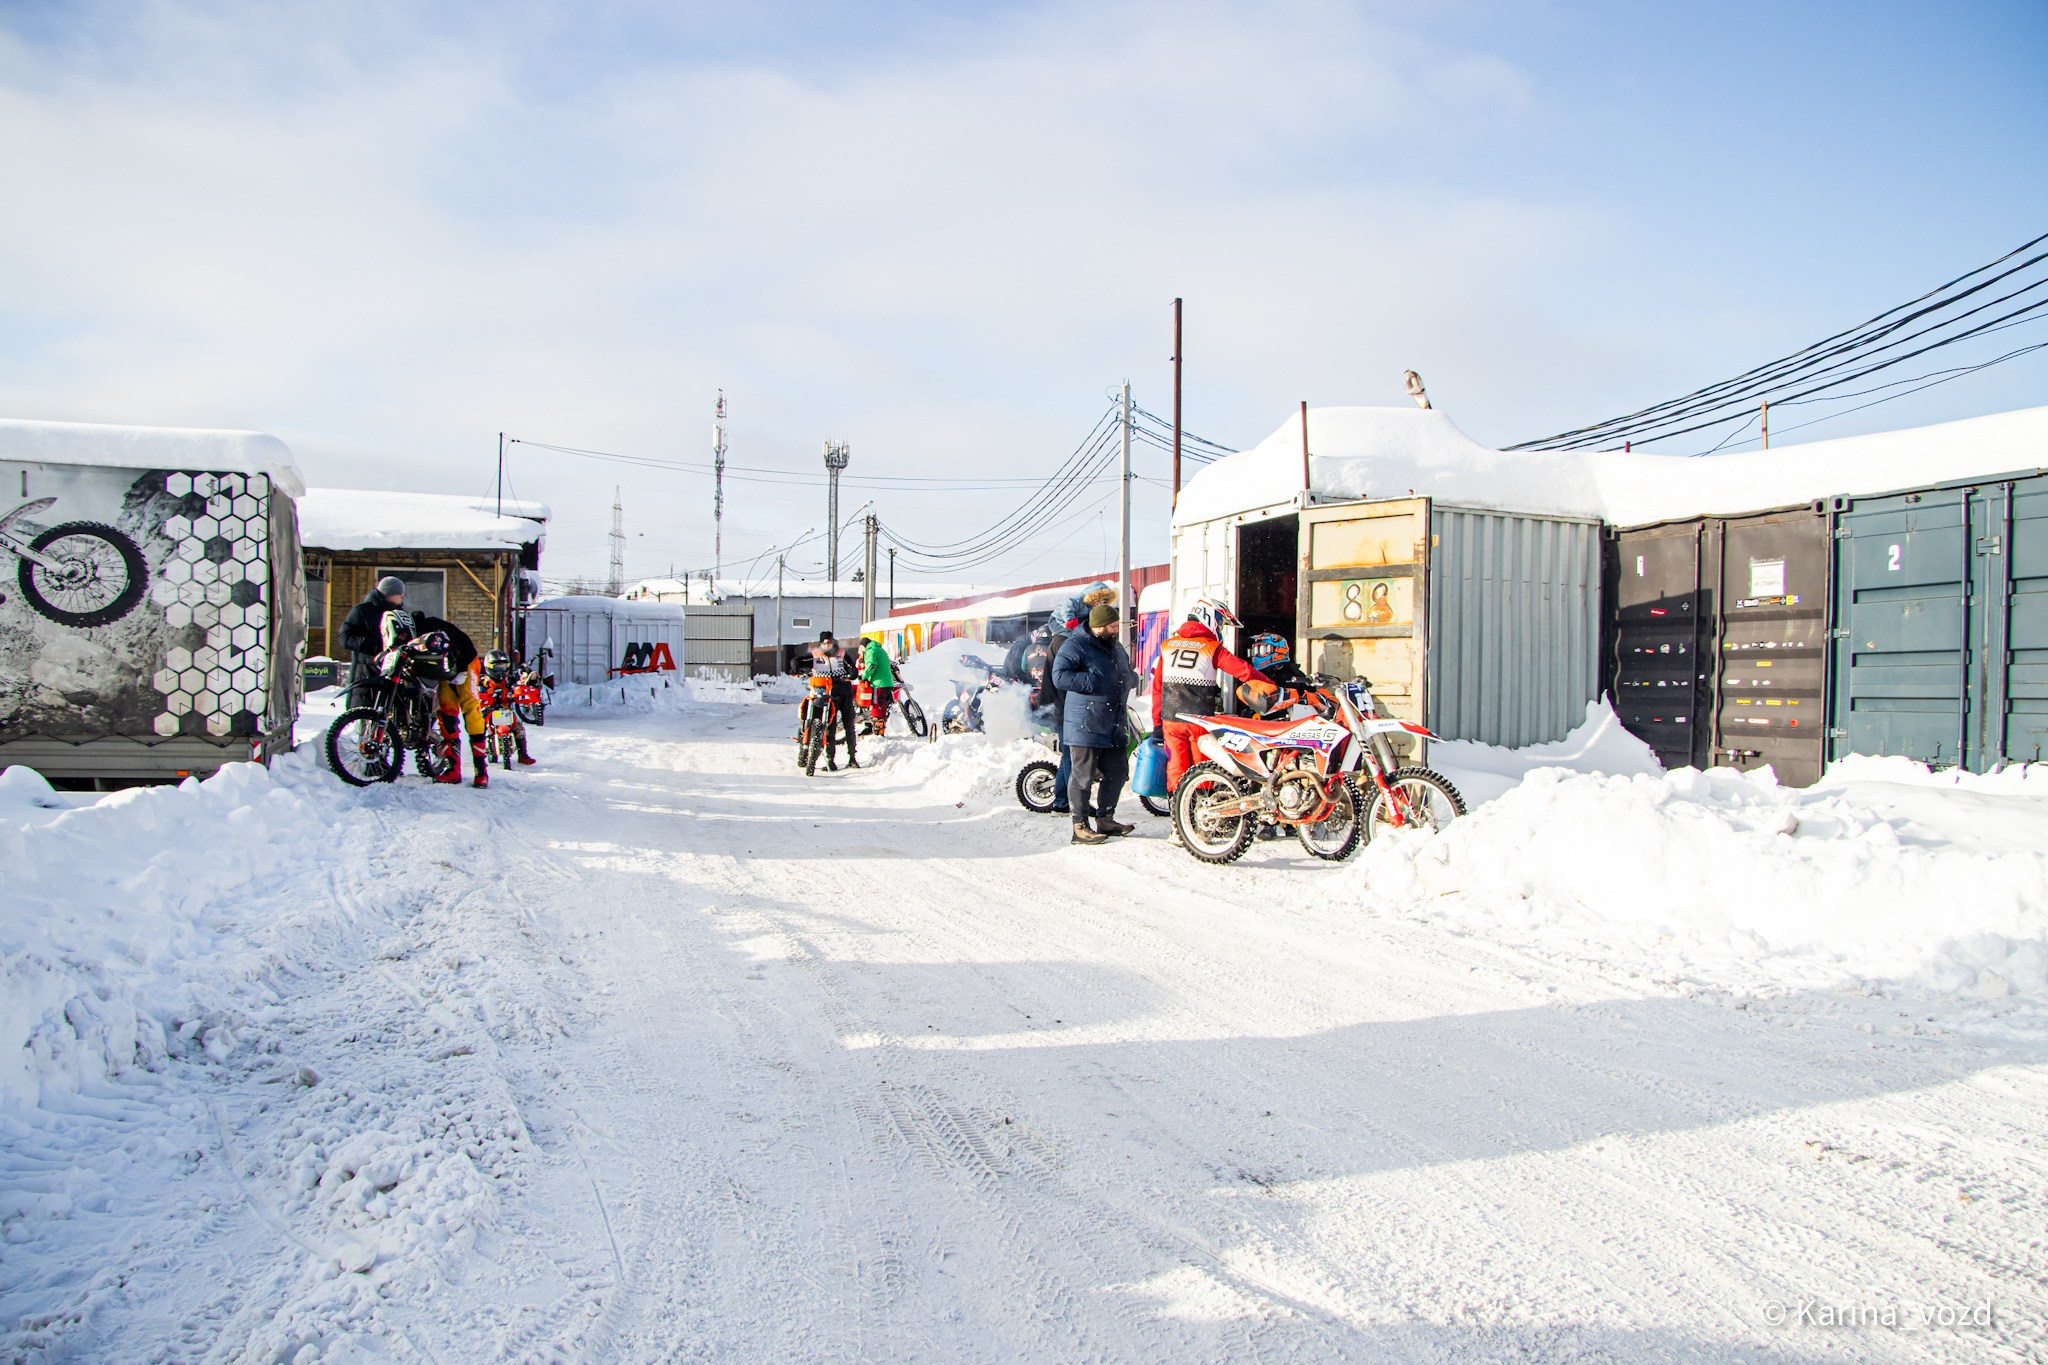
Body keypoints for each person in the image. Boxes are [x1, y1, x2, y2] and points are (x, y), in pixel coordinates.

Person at [1150, 599, 1275, 842]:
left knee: (1177, 771)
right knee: (1203, 771)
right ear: (1208, 618)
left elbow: (1157, 688)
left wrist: (1156, 722)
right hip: (1198, 721)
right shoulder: (1211, 647)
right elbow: (1243, 671)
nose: (1219, 626)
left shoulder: (1167, 646)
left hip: (1171, 720)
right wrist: (1270, 686)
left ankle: (1178, 828)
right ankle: (1201, 825)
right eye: (1219, 621)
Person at [1052, 602, 1137, 845]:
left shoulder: (1116, 646)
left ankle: (1106, 819)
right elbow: (1059, 676)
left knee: (1118, 772)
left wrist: (1130, 678)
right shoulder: (1076, 644)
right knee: (1083, 776)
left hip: (1113, 721)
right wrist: (1093, 681)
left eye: (1115, 625)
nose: (1115, 630)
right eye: (1111, 626)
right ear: (1097, 626)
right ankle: (1079, 827)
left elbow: (1122, 672)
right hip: (1085, 723)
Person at [416, 613, 490, 788]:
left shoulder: (432, 628)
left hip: (465, 663)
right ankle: (453, 769)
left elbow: (461, 643)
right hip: (445, 669)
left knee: (471, 712)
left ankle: (481, 772)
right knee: (446, 715)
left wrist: (462, 669)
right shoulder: (423, 631)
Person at [1031, 593, 1085, 815]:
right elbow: (1062, 680)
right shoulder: (1065, 642)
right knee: (1071, 755)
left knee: (1070, 754)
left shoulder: (1061, 640)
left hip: (1062, 705)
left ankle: (1065, 801)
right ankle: (1064, 801)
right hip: (1064, 706)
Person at [338, 576, 407, 707]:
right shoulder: (362, 611)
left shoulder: (399, 614)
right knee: (364, 715)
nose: (402, 598)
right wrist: (377, 646)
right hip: (365, 672)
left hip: (390, 674)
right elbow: (345, 637)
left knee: (385, 720)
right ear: (388, 594)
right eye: (400, 594)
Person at [479, 648, 538, 768]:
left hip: (505, 710)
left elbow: (519, 686)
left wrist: (519, 691)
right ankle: (480, 754)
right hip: (488, 710)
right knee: (479, 729)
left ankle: (523, 754)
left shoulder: (510, 680)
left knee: (519, 728)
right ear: (489, 666)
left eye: (502, 666)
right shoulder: (482, 682)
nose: (500, 670)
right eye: (497, 667)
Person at [810, 634, 859, 770]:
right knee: (830, 728)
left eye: (829, 642)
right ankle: (831, 760)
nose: (827, 645)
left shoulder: (841, 654)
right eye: (825, 643)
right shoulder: (816, 655)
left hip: (844, 693)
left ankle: (852, 759)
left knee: (849, 725)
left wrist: (850, 675)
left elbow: (853, 669)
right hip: (828, 695)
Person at [858, 634, 897, 736]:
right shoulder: (880, 649)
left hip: (878, 683)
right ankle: (881, 732)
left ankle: (877, 732)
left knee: (876, 707)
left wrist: (863, 676)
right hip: (887, 683)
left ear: (863, 646)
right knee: (882, 707)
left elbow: (871, 665)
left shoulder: (871, 650)